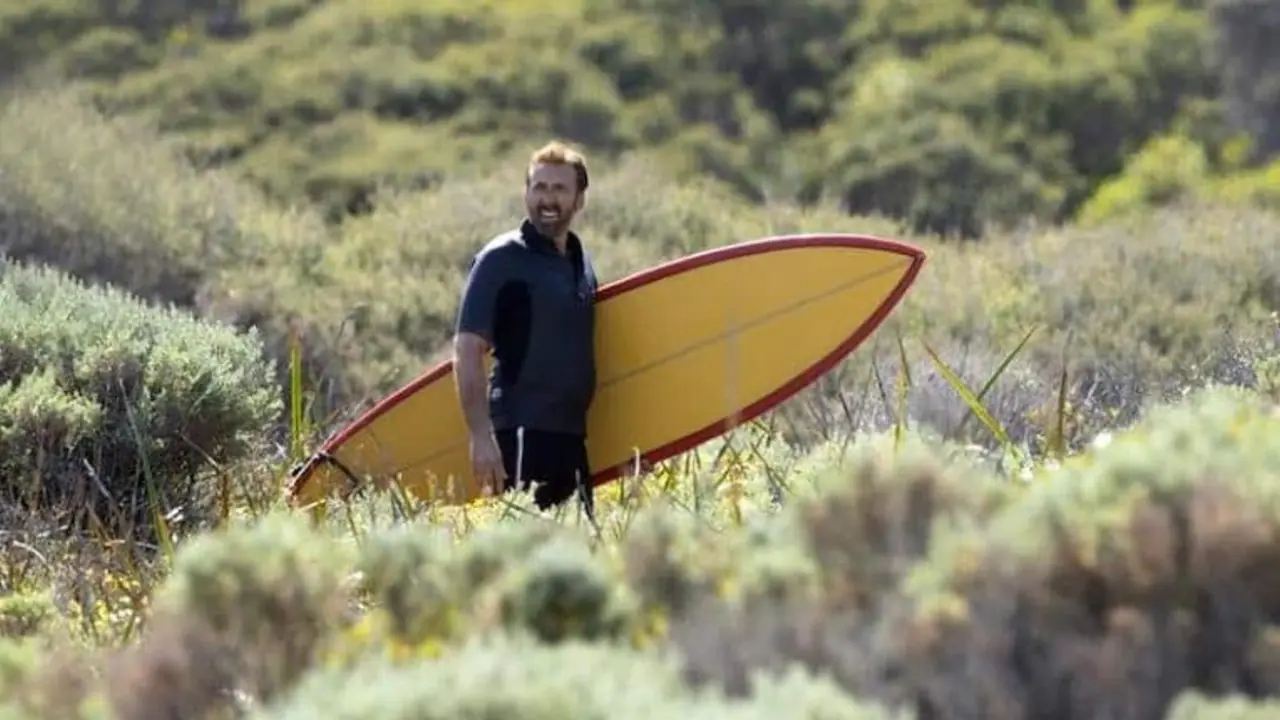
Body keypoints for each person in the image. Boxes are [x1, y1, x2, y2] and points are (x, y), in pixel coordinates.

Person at [451, 141, 600, 516]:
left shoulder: (581, 264)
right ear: (526, 193)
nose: (547, 199)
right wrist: (480, 437)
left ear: (579, 199)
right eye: (539, 187)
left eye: (559, 188)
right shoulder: (501, 260)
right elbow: (467, 349)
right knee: (523, 545)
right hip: (519, 435)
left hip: (572, 438)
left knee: (581, 543)